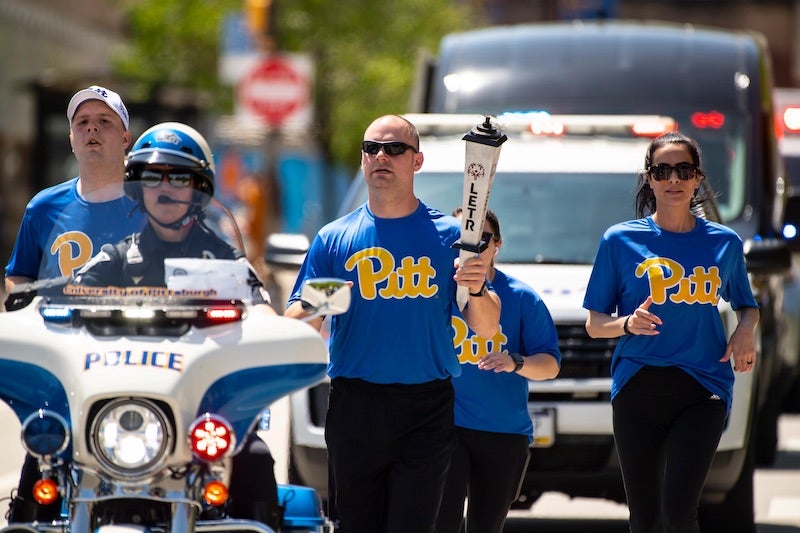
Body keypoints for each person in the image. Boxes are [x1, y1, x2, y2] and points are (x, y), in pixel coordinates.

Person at [284, 114, 501, 533]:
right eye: (372, 149)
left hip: (426, 406)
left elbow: (487, 328)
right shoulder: (333, 238)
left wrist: (476, 288)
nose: (381, 156)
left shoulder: (450, 235)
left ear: (416, 161)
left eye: (394, 149)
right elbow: (295, 322)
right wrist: (327, 296)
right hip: (355, 403)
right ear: (363, 160)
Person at [72, 122, 282, 529]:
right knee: (46, 446)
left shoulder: (225, 261)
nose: (164, 188)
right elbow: (61, 299)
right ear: (138, 187)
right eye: (152, 176)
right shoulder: (113, 258)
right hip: (120, 404)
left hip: (204, 407)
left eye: (179, 177)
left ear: (198, 188)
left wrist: (271, 328)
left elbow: (262, 311)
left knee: (253, 455)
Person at [582, 131, 759, 532]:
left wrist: (745, 330)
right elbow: (595, 324)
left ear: (698, 178)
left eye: (684, 169)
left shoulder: (724, 243)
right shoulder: (621, 240)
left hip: (703, 387)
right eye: (663, 170)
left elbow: (746, 304)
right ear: (649, 178)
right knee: (644, 518)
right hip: (637, 386)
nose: (673, 179)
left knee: (679, 514)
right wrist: (626, 323)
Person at [4, 85, 147, 522]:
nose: (92, 131)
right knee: (42, 468)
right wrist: (24, 306)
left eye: (104, 122)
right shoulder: (44, 207)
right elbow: (18, 276)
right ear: (70, 137)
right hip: (64, 365)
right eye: (82, 123)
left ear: (126, 138)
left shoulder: (153, 205)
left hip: (138, 361)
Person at [436, 208, 561, 533]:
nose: (473, 248)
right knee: (440, 523)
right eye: (464, 241)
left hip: (503, 433)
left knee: (487, 527)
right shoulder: (435, 293)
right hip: (445, 427)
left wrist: (515, 362)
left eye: (483, 240)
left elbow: (549, 366)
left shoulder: (521, 297)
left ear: (498, 245)